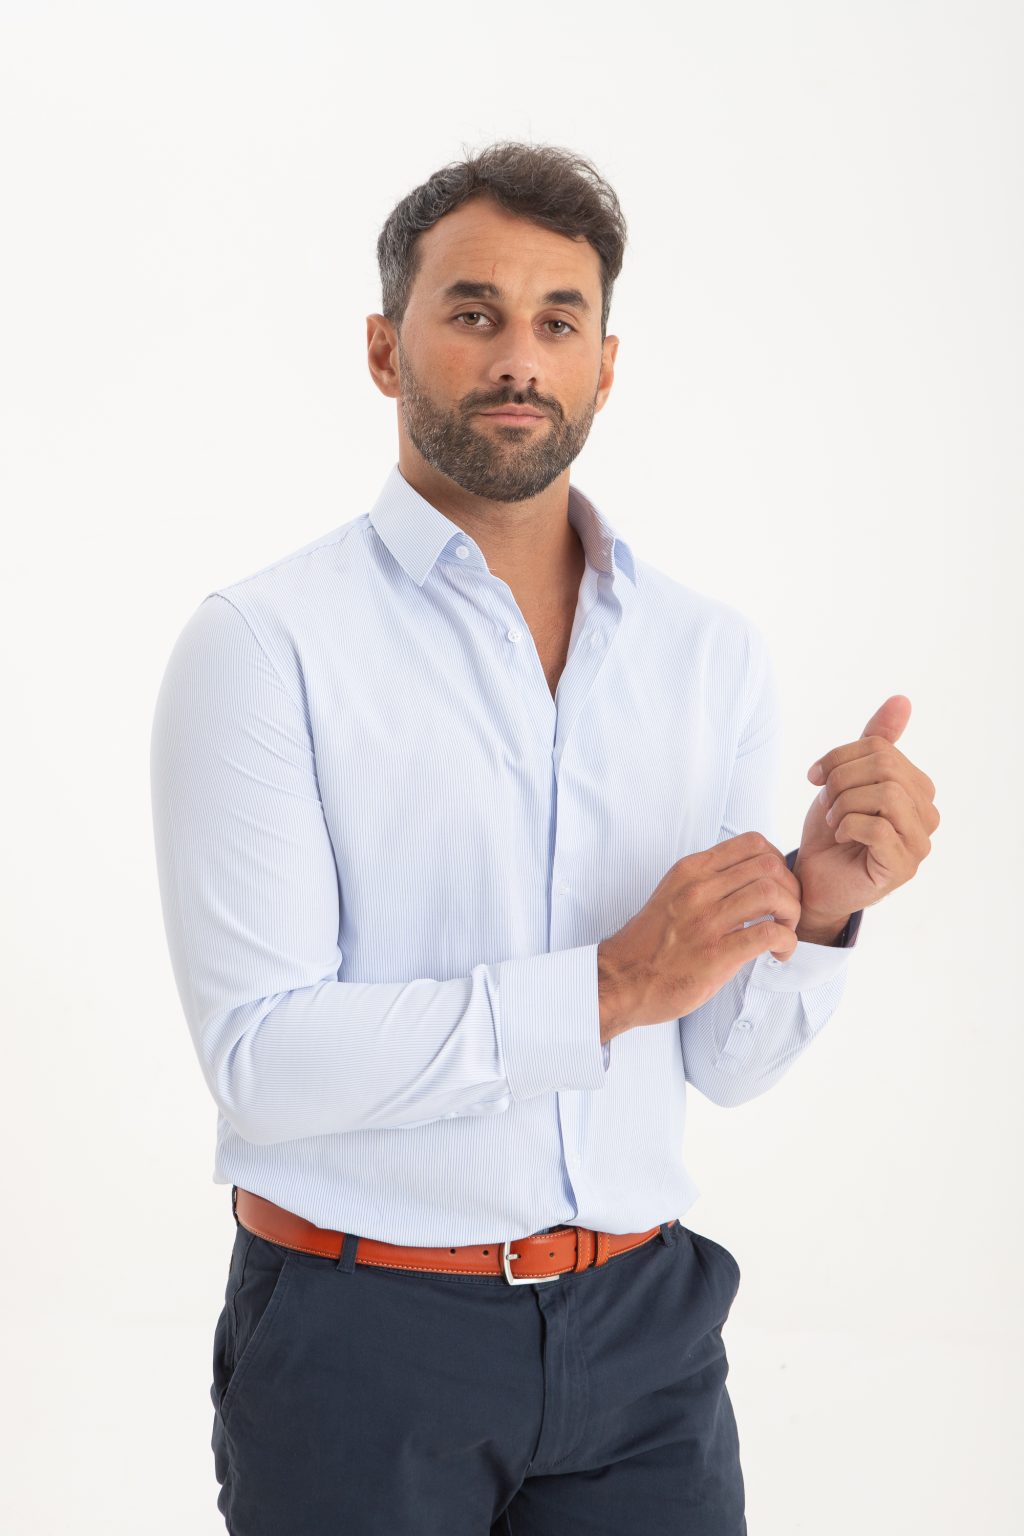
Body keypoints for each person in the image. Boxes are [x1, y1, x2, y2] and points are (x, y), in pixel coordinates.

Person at [149, 140, 939, 1536]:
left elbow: (726, 1061)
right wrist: (609, 986)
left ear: (606, 366)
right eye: (475, 312)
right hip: (361, 1339)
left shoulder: (708, 656)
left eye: (559, 321)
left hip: (645, 1339)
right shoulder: (263, 647)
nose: (520, 356)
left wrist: (817, 912)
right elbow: (262, 1060)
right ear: (386, 350)